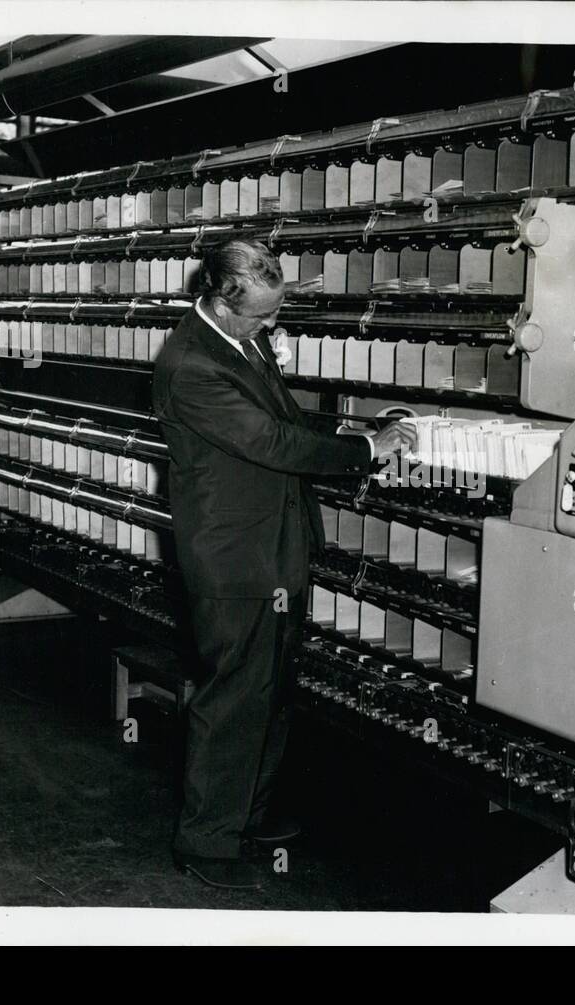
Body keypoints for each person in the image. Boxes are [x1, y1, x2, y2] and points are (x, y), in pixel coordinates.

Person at [152, 239, 416, 889]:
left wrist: (360, 429)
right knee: (235, 693)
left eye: (275, 313)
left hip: (275, 542)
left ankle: (248, 812)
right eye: (262, 316)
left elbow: (289, 418)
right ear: (219, 299)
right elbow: (270, 440)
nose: (272, 325)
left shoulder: (244, 338)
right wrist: (364, 450)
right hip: (233, 555)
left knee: (271, 686)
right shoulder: (190, 363)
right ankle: (206, 839)